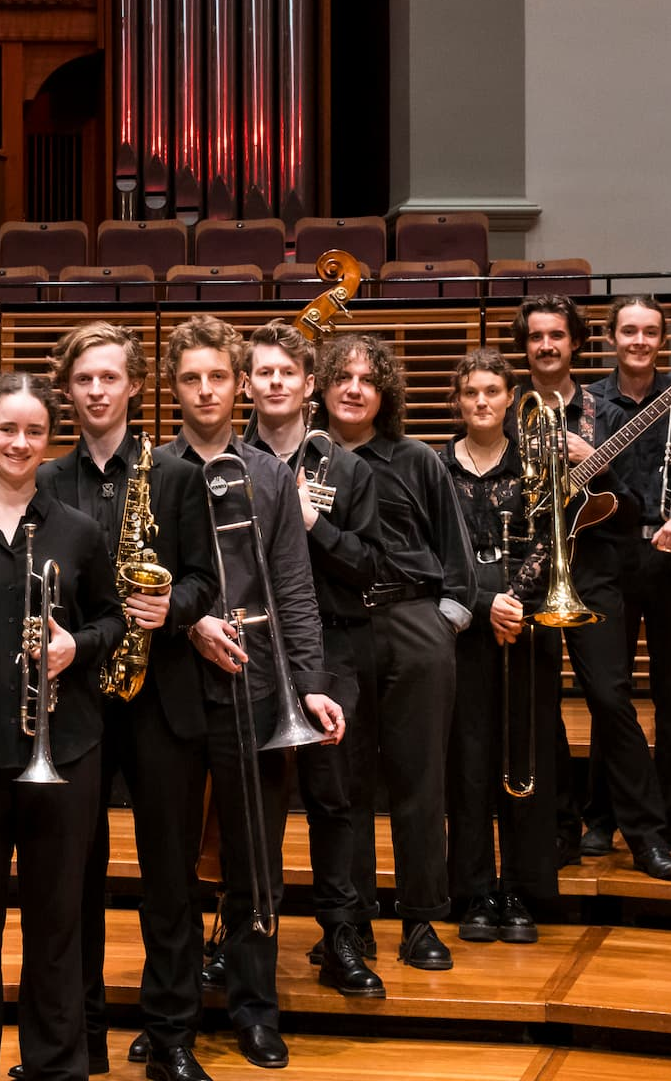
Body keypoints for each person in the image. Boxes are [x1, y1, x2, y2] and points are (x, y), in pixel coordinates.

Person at [157, 317, 343, 1074]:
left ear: (240, 386)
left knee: (255, 862)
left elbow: (295, 592)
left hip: (258, 686)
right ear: (174, 389)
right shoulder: (154, 471)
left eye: (218, 378)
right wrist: (189, 622)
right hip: (171, 688)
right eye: (191, 379)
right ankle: (168, 1016)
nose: (206, 391)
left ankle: (254, 1008)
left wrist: (311, 686)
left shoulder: (268, 476)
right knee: (172, 866)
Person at [36, 322, 216, 1080]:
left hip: (161, 696)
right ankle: (81, 1039)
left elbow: (208, 581)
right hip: (78, 696)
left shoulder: (174, 475)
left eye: (112, 377)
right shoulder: (47, 482)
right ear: (68, 390)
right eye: (85, 380)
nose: (99, 391)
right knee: (72, 875)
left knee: (168, 875)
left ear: (136, 385)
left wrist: (173, 607)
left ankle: (171, 1037)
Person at [0, 372, 123, 1081]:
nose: (20, 442)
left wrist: (78, 645)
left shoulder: (77, 530)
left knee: (57, 924)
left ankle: (55, 1065)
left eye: (34, 431)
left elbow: (112, 618)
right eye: (7, 429)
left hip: (65, 748)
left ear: (51, 439)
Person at [513, 295, 671, 882]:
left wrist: (597, 462)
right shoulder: (508, 411)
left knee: (611, 701)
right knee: (540, 712)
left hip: (595, 574)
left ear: (576, 343)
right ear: (527, 345)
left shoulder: (603, 414)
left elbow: (637, 504)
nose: (546, 346)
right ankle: (556, 829)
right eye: (536, 336)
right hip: (531, 577)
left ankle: (646, 836)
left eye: (557, 335)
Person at [316, 331, 474, 968]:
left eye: (367, 380)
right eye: (342, 378)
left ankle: (421, 921)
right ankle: (349, 925)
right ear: (322, 388)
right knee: (343, 784)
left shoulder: (417, 458)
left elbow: (456, 558)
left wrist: (441, 624)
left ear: (385, 394)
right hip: (335, 632)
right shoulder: (303, 461)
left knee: (419, 779)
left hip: (412, 623)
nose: (354, 389)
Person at [240, 321, 387, 996]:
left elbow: (370, 569)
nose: (275, 383)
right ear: (250, 384)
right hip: (249, 651)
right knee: (248, 805)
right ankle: (241, 936)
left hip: (330, 645)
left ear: (308, 386)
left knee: (333, 796)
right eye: (262, 372)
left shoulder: (349, 468)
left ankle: (341, 935)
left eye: (286, 373)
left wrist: (313, 525)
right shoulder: (224, 461)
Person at [585, 297, 671, 859]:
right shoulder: (591, 402)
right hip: (610, 559)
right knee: (608, 695)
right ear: (612, 337)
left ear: (663, 340)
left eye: (649, 332)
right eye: (628, 331)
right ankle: (601, 816)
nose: (638, 341)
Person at [438, 349, 558, 945]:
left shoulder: (535, 461)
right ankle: (475, 891)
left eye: (492, 391)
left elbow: (552, 536)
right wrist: (487, 605)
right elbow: (436, 551)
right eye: (470, 393)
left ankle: (520, 891)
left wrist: (513, 599)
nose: (482, 401)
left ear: (510, 397)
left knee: (524, 760)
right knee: (468, 764)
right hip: (461, 631)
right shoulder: (436, 467)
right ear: (457, 402)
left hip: (527, 627)